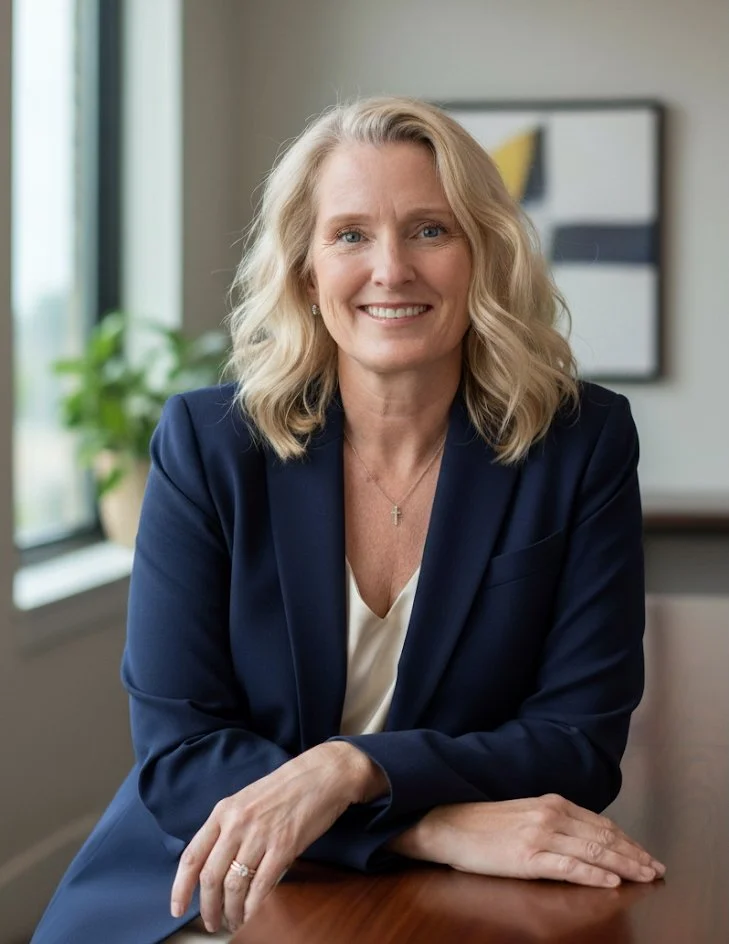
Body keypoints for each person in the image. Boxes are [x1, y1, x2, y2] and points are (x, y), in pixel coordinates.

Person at [32, 96, 663, 944]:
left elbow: (577, 744)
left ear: (483, 254)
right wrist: (420, 825)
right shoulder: (208, 445)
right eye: (350, 235)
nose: (391, 269)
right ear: (304, 271)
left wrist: (351, 765)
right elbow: (181, 756)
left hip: (452, 902)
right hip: (199, 875)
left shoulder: (579, 444)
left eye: (430, 231)